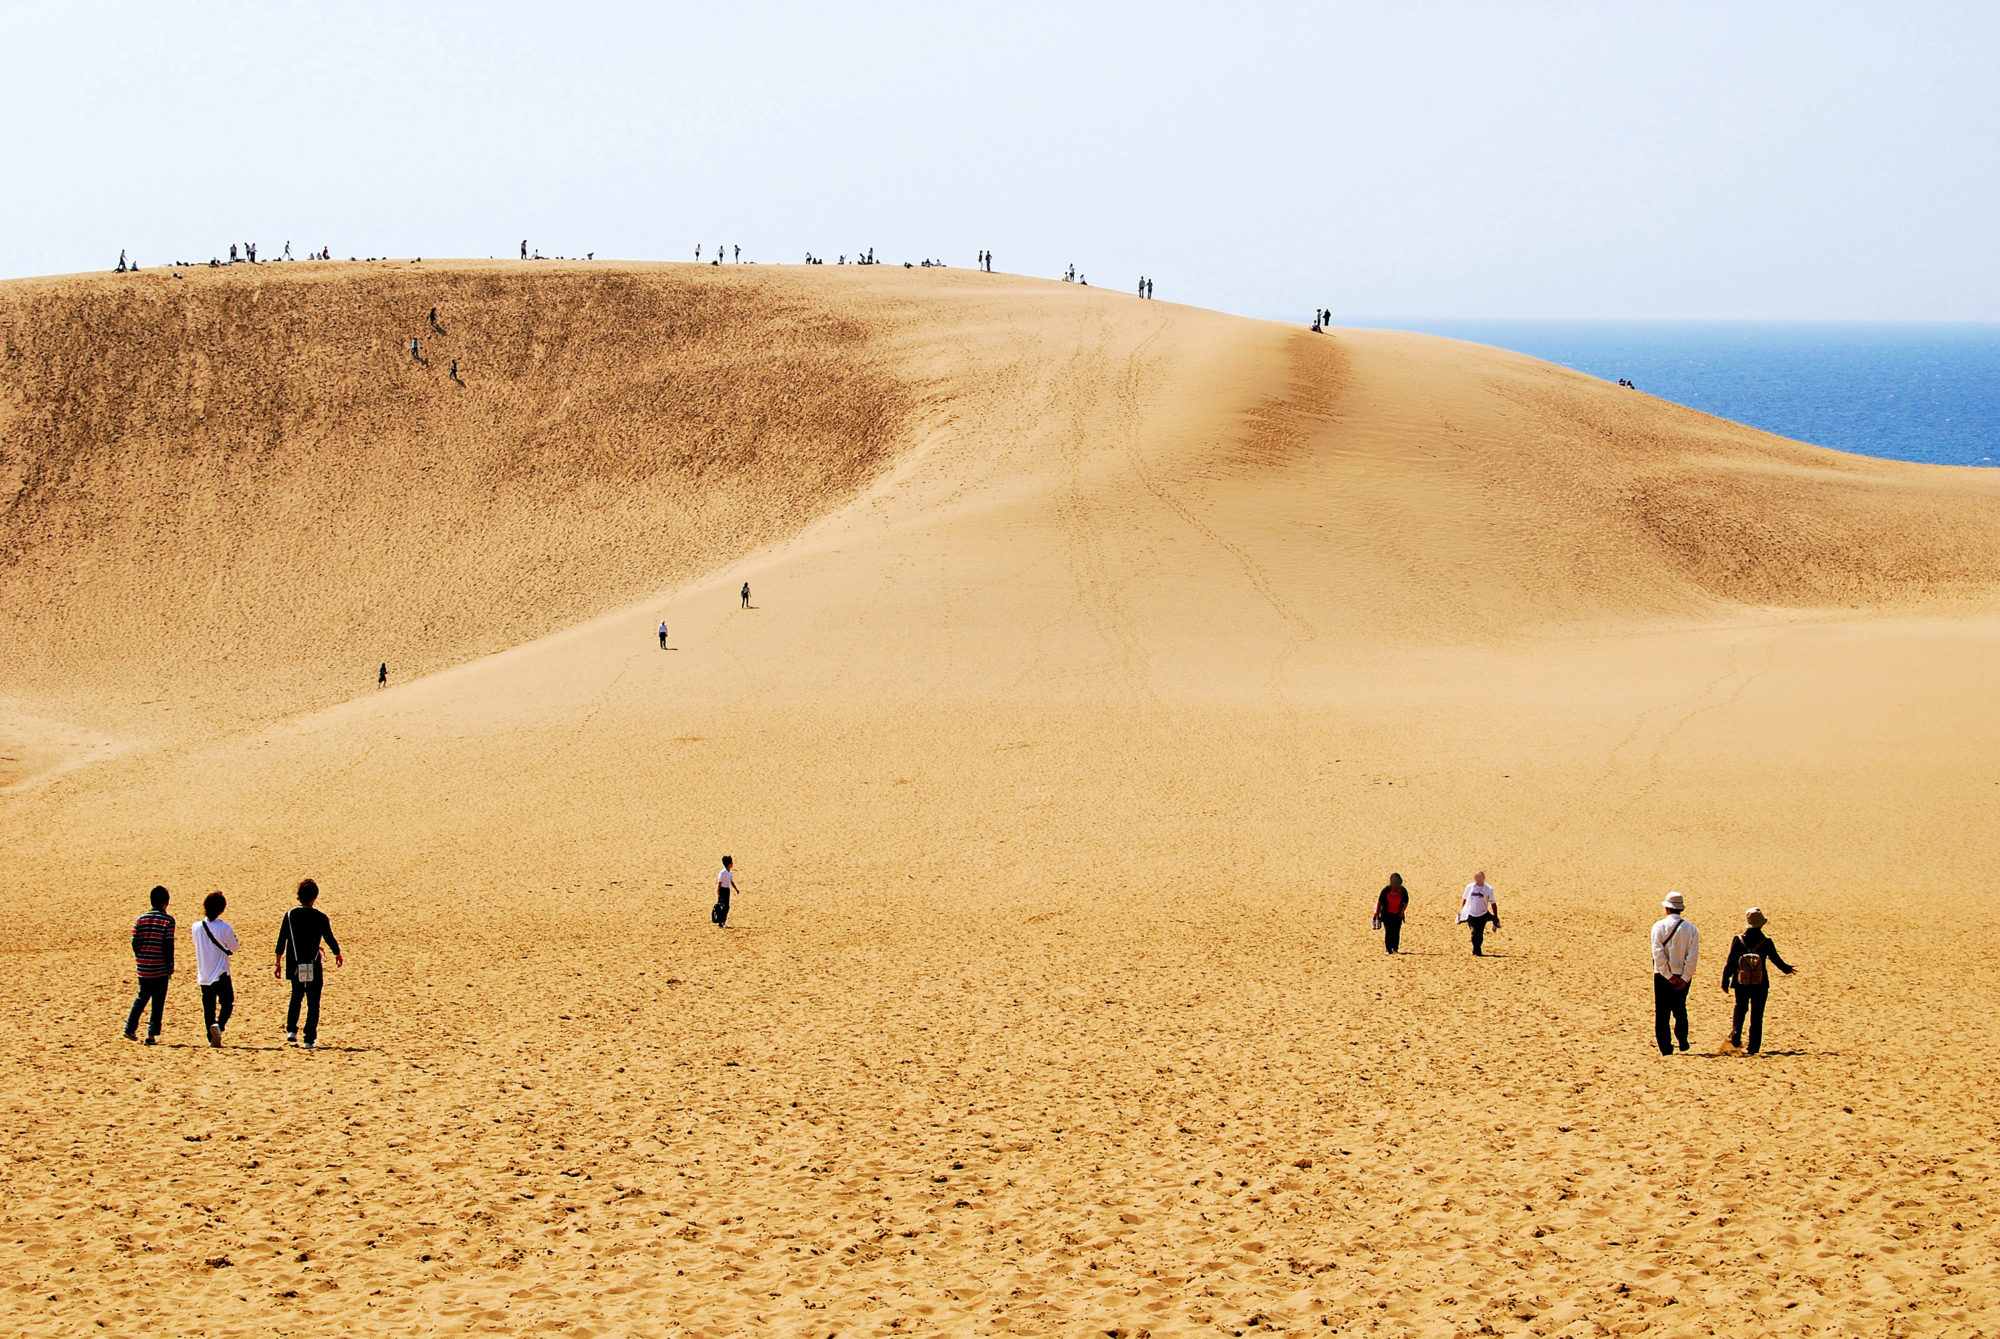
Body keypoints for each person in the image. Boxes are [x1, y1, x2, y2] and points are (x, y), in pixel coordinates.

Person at [276, 879, 343, 1050]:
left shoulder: (290, 915)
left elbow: (282, 939)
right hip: (312, 963)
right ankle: (309, 1039)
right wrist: (337, 953)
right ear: (315, 897)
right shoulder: (320, 917)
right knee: (313, 1001)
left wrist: (277, 962)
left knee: (296, 995)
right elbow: (329, 937)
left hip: (294, 962)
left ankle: (291, 1030)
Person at [1721, 907, 1795, 1054]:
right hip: (1760, 983)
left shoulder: (1738, 940)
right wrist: (1787, 969)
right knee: (1757, 1015)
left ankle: (1735, 1034)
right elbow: (1776, 960)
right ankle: (1753, 1047)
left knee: (1740, 1008)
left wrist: (1725, 980)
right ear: (1761, 924)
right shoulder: (1766, 941)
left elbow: (1731, 962)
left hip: (1741, 982)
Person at [125, 886, 176, 1044]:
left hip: (143, 967)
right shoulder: (168, 921)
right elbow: (168, 945)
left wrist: (140, 957)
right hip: (159, 968)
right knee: (158, 1001)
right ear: (165, 903)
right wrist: (170, 965)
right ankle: (151, 1035)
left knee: (141, 997)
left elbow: (134, 941)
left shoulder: (140, 919)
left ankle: (129, 1028)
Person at [1651, 891, 1699, 1055]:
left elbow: (1657, 953)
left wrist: (1667, 975)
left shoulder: (1658, 926)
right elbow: (1692, 956)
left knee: (1662, 1013)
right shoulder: (1691, 928)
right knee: (1680, 1008)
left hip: (1662, 976)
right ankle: (1682, 1039)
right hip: (1682, 975)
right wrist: (1685, 977)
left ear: (1667, 909)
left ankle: (1666, 1048)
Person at [192, 891, 239, 1048]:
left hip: (204, 972)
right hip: (221, 972)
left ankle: (211, 1037)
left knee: (208, 1007)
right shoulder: (224, 927)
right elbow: (234, 947)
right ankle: (219, 1026)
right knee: (227, 1002)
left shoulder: (196, 927)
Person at [1457, 872, 1500, 955]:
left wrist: (1495, 916)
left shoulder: (1488, 889)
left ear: (1483, 878)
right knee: (1473, 932)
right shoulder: (1469, 887)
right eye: (1476, 877)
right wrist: (1463, 912)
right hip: (1471, 914)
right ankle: (1475, 949)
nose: (1478, 880)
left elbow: (1493, 903)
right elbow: (1465, 899)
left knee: (1479, 933)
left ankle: (1478, 950)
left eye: (1479, 877)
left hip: (1483, 914)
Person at [1374, 873, 1410, 953]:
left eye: (1397, 884)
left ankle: (1395, 948)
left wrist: (1402, 912)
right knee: (1388, 931)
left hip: (1397, 914)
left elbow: (1406, 902)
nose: (1395, 886)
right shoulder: (1386, 890)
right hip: (1387, 914)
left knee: (1396, 931)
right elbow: (1380, 901)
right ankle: (1388, 948)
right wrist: (1377, 912)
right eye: (1394, 884)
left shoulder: (1403, 891)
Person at [712, 856, 737, 927]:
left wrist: (736, 889)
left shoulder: (730, 872)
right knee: (722, 906)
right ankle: (720, 921)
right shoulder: (722, 873)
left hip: (727, 890)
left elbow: (731, 881)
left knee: (727, 906)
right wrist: (718, 892)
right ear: (729, 864)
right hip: (722, 890)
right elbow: (719, 883)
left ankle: (723, 921)